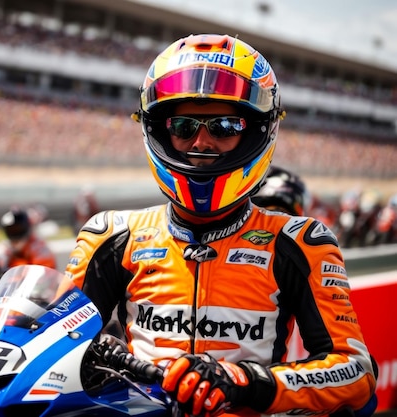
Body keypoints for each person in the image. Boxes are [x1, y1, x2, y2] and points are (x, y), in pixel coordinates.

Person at [65, 34, 376, 417]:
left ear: (258, 131)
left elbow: (356, 373)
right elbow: (55, 347)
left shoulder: (299, 242)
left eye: (224, 126)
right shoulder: (112, 236)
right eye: (183, 125)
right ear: (160, 130)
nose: (201, 143)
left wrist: (245, 382)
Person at [0, 207, 57, 278]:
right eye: (11, 230)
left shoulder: (39, 249)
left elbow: (46, 275)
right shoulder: (6, 251)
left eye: (18, 229)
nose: (14, 233)